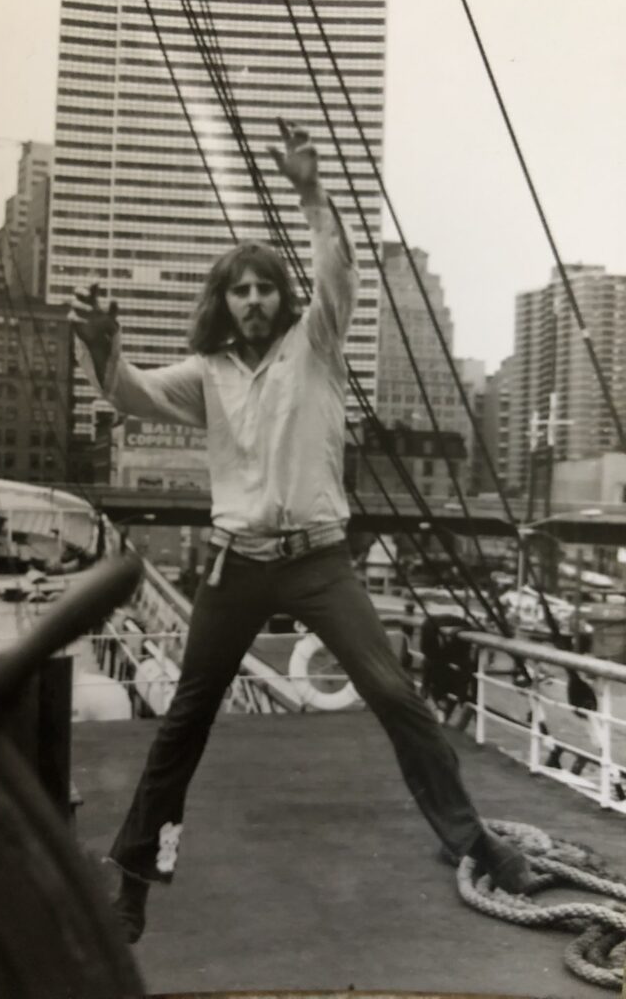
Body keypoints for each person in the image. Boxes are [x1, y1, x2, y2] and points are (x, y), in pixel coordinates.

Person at [70, 118, 533, 943]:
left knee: (396, 696)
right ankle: (136, 874)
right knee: (186, 720)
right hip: (237, 565)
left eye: (266, 289)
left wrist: (312, 191)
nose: (254, 303)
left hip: (319, 561)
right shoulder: (207, 375)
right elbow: (128, 394)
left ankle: (478, 842)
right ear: (224, 301)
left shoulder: (315, 345)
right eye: (240, 291)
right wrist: (100, 349)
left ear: (285, 299)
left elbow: (339, 272)